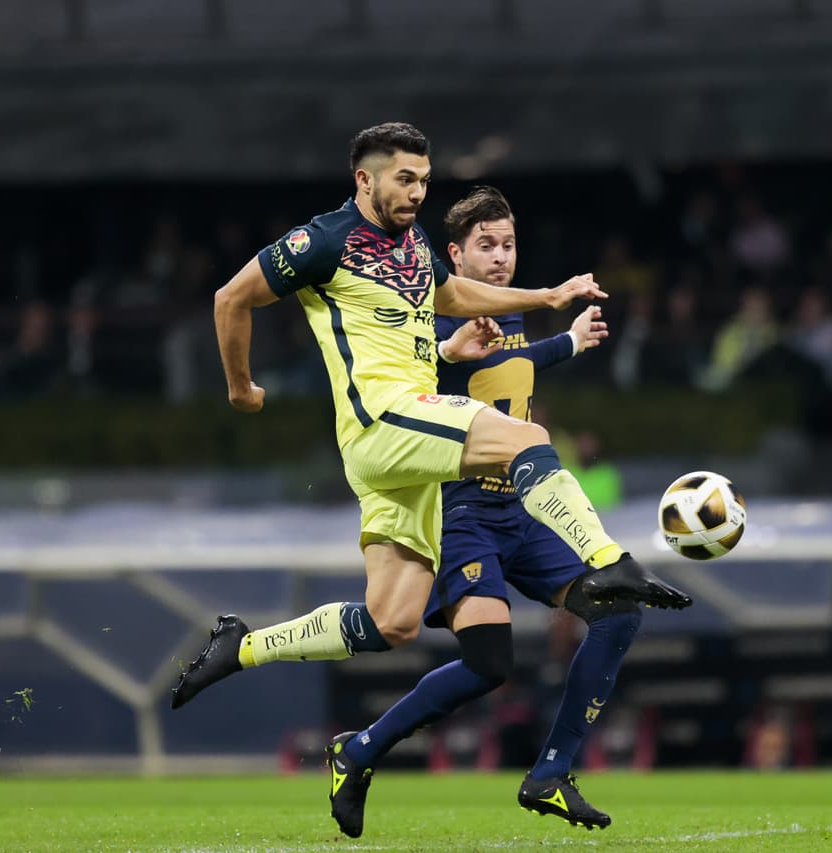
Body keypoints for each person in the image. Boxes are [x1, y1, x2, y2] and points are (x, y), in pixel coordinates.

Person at [170, 127, 689, 714]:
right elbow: (230, 298)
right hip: (384, 419)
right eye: (404, 179)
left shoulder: (412, 242)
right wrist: (241, 387)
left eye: (423, 180)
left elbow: (451, 296)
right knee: (526, 438)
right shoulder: (325, 239)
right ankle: (609, 561)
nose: (417, 192)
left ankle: (244, 647)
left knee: (393, 621)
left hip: (400, 450)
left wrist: (545, 298)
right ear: (365, 180)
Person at [323, 186, 645, 837]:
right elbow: (401, 390)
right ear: (455, 254)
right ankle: (357, 750)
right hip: (458, 510)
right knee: (490, 665)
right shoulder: (429, 313)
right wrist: (445, 352)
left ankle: (550, 773)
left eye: (508, 244)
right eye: (487, 245)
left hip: (519, 514)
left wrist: (571, 344)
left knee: (619, 609)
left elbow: (508, 369)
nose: (501, 257)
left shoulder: (508, 315)